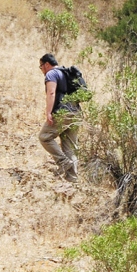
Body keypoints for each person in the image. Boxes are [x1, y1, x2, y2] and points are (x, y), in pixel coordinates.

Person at [38, 54, 80, 182]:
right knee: (70, 147)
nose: (41, 70)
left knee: (44, 137)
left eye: (41, 67)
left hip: (63, 112)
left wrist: (48, 112)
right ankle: (72, 179)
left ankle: (62, 162)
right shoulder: (67, 73)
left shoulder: (51, 74)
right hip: (76, 113)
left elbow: (51, 93)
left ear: (46, 64)